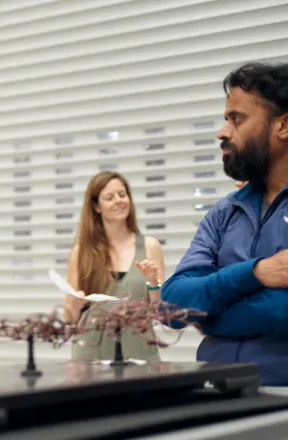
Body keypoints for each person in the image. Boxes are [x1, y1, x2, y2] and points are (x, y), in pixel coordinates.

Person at [161, 62, 288, 385]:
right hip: (214, 396)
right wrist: (255, 273)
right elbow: (171, 304)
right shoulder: (225, 212)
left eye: (237, 119)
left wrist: (212, 316)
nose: (222, 132)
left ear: (283, 126)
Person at [65, 171, 166, 361]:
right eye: (109, 197)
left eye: (122, 194)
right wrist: (75, 305)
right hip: (91, 356)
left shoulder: (150, 247)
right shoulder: (81, 251)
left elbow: (160, 313)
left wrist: (153, 282)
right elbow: (70, 317)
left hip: (140, 353)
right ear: (96, 207)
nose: (119, 201)